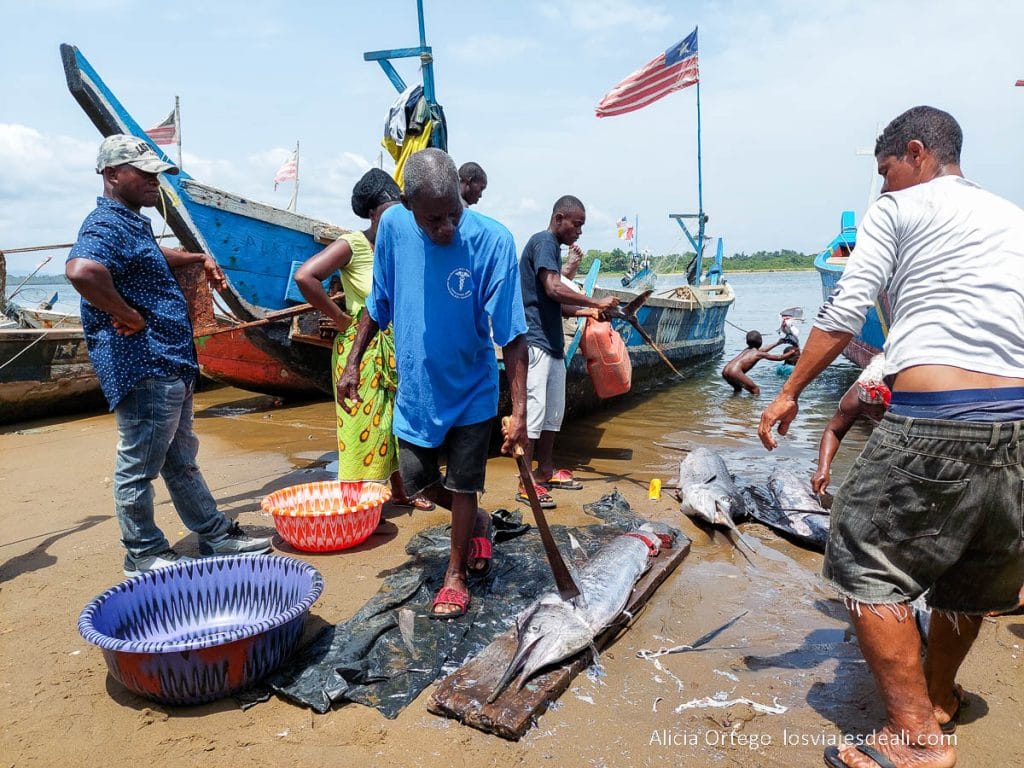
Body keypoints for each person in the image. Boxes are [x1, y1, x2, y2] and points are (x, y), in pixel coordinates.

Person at [758, 106, 1024, 768]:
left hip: (939, 415)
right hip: (1016, 420)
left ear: (917, 152)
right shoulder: (1014, 218)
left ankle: (913, 737)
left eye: (886, 171)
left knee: (860, 551)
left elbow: (847, 310)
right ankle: (938, 697)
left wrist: (788, 392)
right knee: (971, 571)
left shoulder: (897, 212)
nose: (881, 188)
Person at [66, 135, 273, 577]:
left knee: (181, 460)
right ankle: (142, 552)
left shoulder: (130, 224)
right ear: (111, 174)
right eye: (142, 173)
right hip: (143, 364)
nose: (152, 181)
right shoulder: (104, 223)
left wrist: (193, 256)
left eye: (154, 174)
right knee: (138, 465)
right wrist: (126, 314)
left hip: (168, 362)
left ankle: (215, 533)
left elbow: (152, 255)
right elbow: (82, 270)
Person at [338, 148, 529, 619]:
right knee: (419, 482)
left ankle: (455, 574)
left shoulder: (493, 242)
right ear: (408, 208)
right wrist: (353, 361)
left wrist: (521, 412)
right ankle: (477, 520)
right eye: (433, 219)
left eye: (453, 215)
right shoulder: (395, 231)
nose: (446, 228)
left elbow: (513, 334)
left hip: (471, 390)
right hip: (417, 392)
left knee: (464, 485)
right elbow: (378, 302)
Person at [294, 169, 435, 513]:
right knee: (362, 426)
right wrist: (341, 318)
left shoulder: (405, 244)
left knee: (394, 424)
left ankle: (401, 490)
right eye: (390, 211)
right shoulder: (353, 244)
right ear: (373, 214)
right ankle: (359, 505)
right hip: (362, 347)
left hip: (396, 346)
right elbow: (305, 276)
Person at [517, 196, 619, 506]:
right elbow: (552, 288)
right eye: (577, 225)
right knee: (534, 415)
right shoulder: (544, 241)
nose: (580, 232)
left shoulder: (552, 249)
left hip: (554, 345)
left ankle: (545, 471)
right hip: (535, 343)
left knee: (553, 414)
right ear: (559, 218)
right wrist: (594, 302)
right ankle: (525, 484)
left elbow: (559, 305)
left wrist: (591, 314)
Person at [810, 354, 889, 496]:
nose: (871, 414)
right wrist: (823, 468)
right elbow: (833, 431)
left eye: (877, 412)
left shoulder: (914, 393)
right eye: (866, 409)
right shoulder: (858, 392)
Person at [721, 330, 797, 395]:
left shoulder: (748, 350)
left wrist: (778, 343)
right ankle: (752, 407)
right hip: (735, 372)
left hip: (726, 370)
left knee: (738, 389)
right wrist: (792, 352)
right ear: (761, 341)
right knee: (755, 390)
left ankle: (734, 404)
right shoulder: (758, 353)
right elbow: (779, 358)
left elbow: (762, 350)